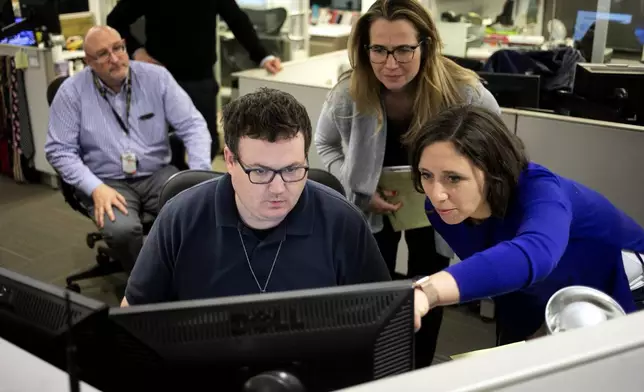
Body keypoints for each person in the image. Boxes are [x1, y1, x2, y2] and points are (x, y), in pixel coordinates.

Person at [314, 0, 500, 367]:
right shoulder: (350, 91)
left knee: (428, 291)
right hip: (372, 206)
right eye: (379, 50)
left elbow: (498, 149)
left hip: (437, 210)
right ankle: (377, 368)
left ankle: (419, 370)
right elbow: (325, 144)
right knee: (373, 293)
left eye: (403, 49)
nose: (390, 63)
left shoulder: (462, 92)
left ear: (425, 45)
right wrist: (356, 188)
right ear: (365, 48)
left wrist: (457, 189)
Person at [121, 88, 391, 306]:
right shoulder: (179, 218)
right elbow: (134, 313)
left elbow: (382, 313)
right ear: (229, 160)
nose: (278, 188)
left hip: (313, 368)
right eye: (260, 171)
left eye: (292, 169)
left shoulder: (343, 222)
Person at [409, 105, 644, 345]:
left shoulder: (542, 191)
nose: (437, 194)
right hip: (539, 287)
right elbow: (506, 271)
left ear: (492, 171)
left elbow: (535, 253)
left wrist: (430, 291)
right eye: (426, 175)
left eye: (454, 178)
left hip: (622, 280)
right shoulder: (441, 211)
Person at [45, 26, 212, 272]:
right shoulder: (71, 93)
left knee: (202, 212)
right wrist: (96, 188)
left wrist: (200, 174)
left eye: (118, 48)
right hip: (107, 181)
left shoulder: (156, 78)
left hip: (158, 174)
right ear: (88, 61)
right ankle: (144, 285)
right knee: (122, 231)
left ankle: (188, 273)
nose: (115, 58)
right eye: (102, 54)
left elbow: (192, 125)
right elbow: (59, 150)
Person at [107, 0, 283, 159]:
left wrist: (263, 56)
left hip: (200, 79)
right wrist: (137, 52)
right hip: (160, 79)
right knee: (162, 146)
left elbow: (237, 20)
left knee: (207, 143)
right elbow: (115, 20)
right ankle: (172, 188)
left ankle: (196, 187)